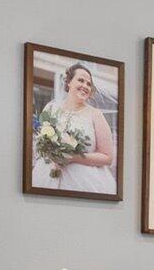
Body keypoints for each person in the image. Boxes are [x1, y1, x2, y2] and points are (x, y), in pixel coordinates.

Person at [34, 64, 117, 195]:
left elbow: (107, 157)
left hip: (83, 182)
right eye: (81, 80)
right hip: (46, 175)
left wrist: (73, 157)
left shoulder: (95, 114)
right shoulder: (50, 109)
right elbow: (40, 144)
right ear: (68, 82)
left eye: (89, 84)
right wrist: (50, 151)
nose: (85, 86)